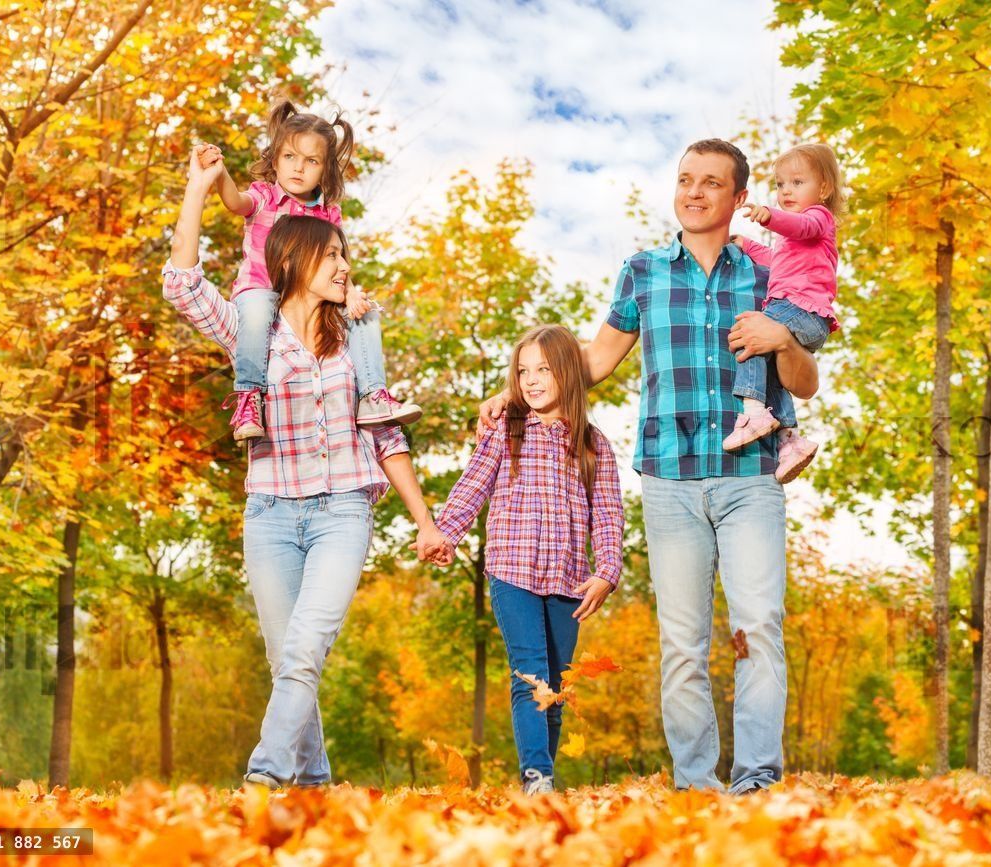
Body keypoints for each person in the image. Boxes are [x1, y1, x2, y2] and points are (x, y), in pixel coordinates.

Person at [480, 139, 818, 794]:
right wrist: (515, 392)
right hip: (667, 477)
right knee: (683, 643)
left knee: (757, 631)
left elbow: (801, 382)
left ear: (738, 198)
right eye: (685, 179)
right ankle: (696, 786)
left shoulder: (768, 272)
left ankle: (755, 781)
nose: (693, 192)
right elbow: (594, 360)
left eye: (710, 182)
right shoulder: (642, 271)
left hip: (750, 473)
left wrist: (784, 337)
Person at [162, 147, 447, 788]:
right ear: (293, 261)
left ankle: (263, 779)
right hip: (269, 512)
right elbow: (183, 285)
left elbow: (386, 439)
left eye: (346, 255)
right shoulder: (250, 332)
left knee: (304, 647)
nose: (346, 267)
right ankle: (314, 785)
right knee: (286, 659)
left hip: (343, 510)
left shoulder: (358, 340)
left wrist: (425, 522)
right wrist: (198, 190)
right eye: (333, 257)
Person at [431, 325, 624, 795]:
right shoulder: (506, 429)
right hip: (512, 572)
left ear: (569, 374)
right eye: (523, 371)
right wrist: (445, 533)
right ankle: (536, 778)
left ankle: (545, 780)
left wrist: (607, 572)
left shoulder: (594, 445)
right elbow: (473, 484)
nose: (532, 379)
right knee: (530, 675)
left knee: (555, 688)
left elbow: (610, 514)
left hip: (568, 581)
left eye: (543, 369)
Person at [198, 98, 419, 441]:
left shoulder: (327, 213)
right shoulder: (265, 196)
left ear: (325, 170)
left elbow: (338, 263)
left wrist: (351, 293)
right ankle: (248, 398)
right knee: (254, 315)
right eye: (290, 157)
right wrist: (219, 172)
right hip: (263, 287)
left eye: (311, 161)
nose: (298, 168)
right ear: (276, 159)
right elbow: (234, 202)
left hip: (310, 297)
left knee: (366, 314)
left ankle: (373, 396)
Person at [722, 143, 843, 484]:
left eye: (797, 182)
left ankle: (753, 413)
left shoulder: (819, 218)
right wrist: (748, 245)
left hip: (800, 308)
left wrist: (770, 216)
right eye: (780, 185)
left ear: (824, 189)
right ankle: (790, 438)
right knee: (771, 364)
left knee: (749, 333)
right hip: (800, 311)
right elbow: (777, 263)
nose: (786, 191)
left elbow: (799, 228)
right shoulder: (796, 244)